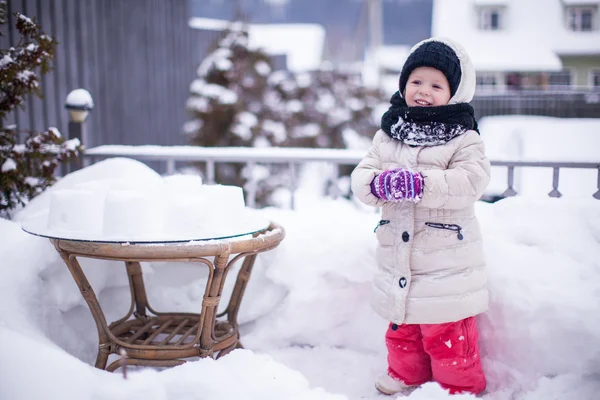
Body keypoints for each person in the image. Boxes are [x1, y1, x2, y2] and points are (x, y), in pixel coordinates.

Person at [350, 37, 491, 396]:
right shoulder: (389, 134)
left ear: (453, 92)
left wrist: (419, 183)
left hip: (446, 258)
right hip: (398, 254)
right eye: (416, 82)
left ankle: (458, 388)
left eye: (435, 85)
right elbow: (361, 177)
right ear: (403, 85)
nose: (423, 91)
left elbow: (471, 181)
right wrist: (379, 182)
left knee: (447, 333)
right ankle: (405, 374)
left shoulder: (464, 137)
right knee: (403, 326)